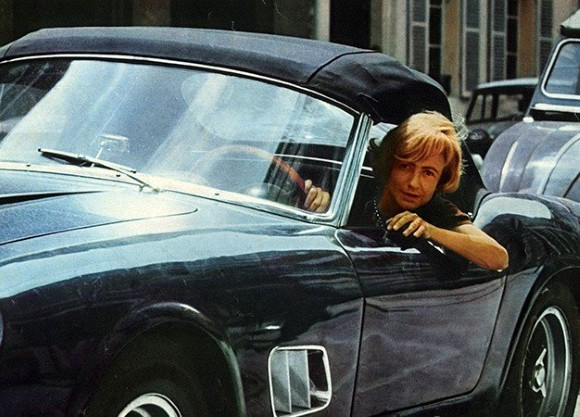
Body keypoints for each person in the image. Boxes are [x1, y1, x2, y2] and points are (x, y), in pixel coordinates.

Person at [305, 111, 509, 271]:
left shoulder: (435, 208)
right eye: (406, 166)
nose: (413, 183)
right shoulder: (353, 187)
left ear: (441, 179)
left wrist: (430, 231)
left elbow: (498, 257)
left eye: (428, 173)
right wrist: (319, 205)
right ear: (389, 163)